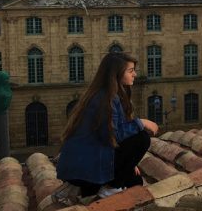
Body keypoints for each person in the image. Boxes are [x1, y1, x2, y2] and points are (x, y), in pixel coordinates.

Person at [55, 52, 158, 201]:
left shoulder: (109, 95)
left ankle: (93, 188)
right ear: (116, 73)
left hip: (92, 163)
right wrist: (141, 122)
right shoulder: (104, 98)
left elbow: (114, 138)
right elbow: (113, 135)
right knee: (142, 138)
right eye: (130, 70)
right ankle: (107, 190)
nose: (135, 74)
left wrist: (129, 162)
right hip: (86, 170)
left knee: (135, 181)